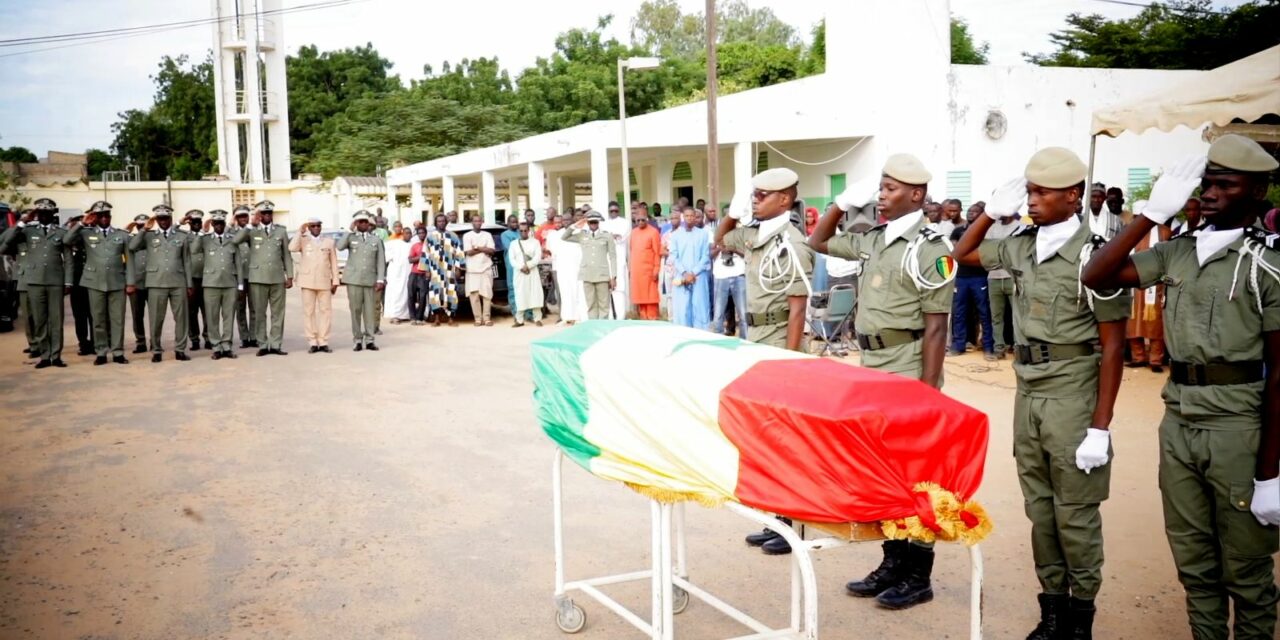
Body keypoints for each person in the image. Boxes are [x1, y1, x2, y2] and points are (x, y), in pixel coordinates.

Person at [1082, 134, 1280, 640]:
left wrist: (1270, 475)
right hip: (1180, 420)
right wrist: (1149, 216)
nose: (1209, 194)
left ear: (1257, 192)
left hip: (1239, 426)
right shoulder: (1176, 253)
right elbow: (1097, 273)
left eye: (1224, 185)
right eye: (1205, 184)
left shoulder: (1267, 264)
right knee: (1194, 561)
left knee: (1248, 571)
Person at [955, 147, 1130, 638]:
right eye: (1028, 191)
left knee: (1074, 513)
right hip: (1028, 391)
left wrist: (1100, 427)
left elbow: (1113, 348)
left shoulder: (1096, 254)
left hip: (1073, 391)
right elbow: (963, 254)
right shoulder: (1023, 244)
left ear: (1073, 195)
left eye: (1041, 192)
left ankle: (1080, 618)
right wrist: (991, 213)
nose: (1031, 201)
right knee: (1040, 510)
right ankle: (1051, 609)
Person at [809, 154, 953, 608]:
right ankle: (893, 561)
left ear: (917, 194)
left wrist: (928, 394)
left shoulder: (932, 249)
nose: (882, 195)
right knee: (883, 468)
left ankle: (919, 573)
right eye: (881, 187)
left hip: (908, 363)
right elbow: (818, 239)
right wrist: (838, 202)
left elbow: (936, 327)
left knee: (917, 472)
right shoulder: (873, 239)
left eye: (891, 188)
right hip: (871, 362)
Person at [1, 199, 73, 368]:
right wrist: (22, 222)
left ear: (53, 215)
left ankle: (56, 355)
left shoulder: (61, 232)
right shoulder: (27, 230)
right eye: (41, 213)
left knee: (56, 319)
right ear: (37, 215)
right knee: (39, 320)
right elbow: (5, 245)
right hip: (34, 281)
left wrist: (68, 281)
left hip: (55, 281)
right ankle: (45, 355)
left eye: (47, 213)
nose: (44, 216)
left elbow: (68, 259)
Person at [64, 201, 129, 365]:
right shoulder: (86, 233)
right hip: (95, 282)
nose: (104, 218)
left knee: (117, 320)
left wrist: (130, 282)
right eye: (100, 216)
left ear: (111, 216)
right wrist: (81, 223)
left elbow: (130, 260)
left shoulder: (121, 234)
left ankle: (118, 352)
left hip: (116, 281)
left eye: (107, 215)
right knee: (98, 319)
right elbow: (67, 240)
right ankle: (101, 352)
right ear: (95, 217)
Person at [128, 204, 194, 363]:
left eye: (166, 218)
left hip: (178, 282)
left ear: (171, 218)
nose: (163, 221)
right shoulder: (149, 236)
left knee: (181, 318)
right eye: (160, 218)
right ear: (156, 220)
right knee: (156, 319)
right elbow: (132, 246)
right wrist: (144, 229)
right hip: (156, 283)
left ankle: (180, 349)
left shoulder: (181, 236)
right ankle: (156, 350)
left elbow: (187, 261)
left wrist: (189, 284)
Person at [1125, 215, 1173, 372]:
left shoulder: (1164, 232)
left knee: (1155, 324)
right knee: (1133, 322)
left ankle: (1155, 360)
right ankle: (1137, 357)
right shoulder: (1129, 232)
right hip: (1134, 286)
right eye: (1136, 217)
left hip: (1156, 285)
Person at [949, 205, 996, 360]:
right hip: (960, 277)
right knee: (959, 313)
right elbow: (955, 251)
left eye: (975, 211)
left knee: (984, 312)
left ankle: (988, 347)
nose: (971, 213)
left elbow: (982, 252)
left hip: (980, 277)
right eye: (969, 211)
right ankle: (958, 346)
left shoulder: (985, 232)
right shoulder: (957, 231)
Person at [289, 216, 339, 353]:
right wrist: (300, 231)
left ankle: (323, 341)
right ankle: (312, 340)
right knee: (309, 312)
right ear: (309, 227)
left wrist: (335, 281)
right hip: (307, 280)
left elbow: (334, 262)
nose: (316, 228)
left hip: (324, 280)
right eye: (313, 226)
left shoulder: (328, 242)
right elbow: (291, 247)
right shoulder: (304, 240)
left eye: (318, 225)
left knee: (326, 312)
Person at [197, 210, 243, 359]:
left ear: (224, 224)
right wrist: (201, 232)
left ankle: (227, 345)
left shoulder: (232, 239)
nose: (218, 226)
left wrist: (240, 283)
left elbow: (238, 263)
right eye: (215, 224)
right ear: (212, 225)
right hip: (211, 283)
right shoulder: (205, 239)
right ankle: (216, 346)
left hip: (229, 283)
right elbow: (193, 249)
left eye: (221, 223)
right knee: (212, 316)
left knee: (229, 316)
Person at [338, 210, 386, 350]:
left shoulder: (376, 240)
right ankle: (357, 339)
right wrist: (349, 230)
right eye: (360, 222)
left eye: (366, 222)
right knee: (355, 310)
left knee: (370, 311)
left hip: (370, 280)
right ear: (356, 223)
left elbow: (380, 261)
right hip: (353, 279)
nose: (363, 224)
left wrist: (380, 280)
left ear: (369, 224)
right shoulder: (351, 237)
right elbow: (339, 246)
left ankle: (370, 339)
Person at [562, 210, 617, 320]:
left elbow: (613, 257)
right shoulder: (582, 235)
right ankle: (593, 326)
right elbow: (565, 237)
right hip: (587, 274)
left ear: (598, 223)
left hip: (602, 275)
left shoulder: (607, 236)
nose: (593, 224)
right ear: (587, 223)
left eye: (595, 222)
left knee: (604, 305)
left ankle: (602, 327)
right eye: (591, 222)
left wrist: (613, 277)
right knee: (591, 304)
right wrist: (575, 225)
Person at [669, 206, 711, 329]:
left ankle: (701, 337)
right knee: (682, 309)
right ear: (683, 217)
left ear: (695, 218)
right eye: (687, 216)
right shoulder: (676, 235)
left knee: (700, 307)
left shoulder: (703, 234)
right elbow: (673, 256)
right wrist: (684, 273)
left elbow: (705, 256)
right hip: (681, 277)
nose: (689, 218)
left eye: (692, 216)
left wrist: (693, 272)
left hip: (698, 276)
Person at [711, 212, 748, 337]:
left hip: (739, 274)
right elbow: (710, 254)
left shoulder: (743, 234)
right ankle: (717, 339)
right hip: (720, 275)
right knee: (718, 313)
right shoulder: (717, 235)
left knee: (743, 313)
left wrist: (734, 249)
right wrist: (721, 248)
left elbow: (749, 255)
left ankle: (745, 340)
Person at [424, 213, 463, 326]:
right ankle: (436, 318)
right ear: (435, 223)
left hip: (450, 269)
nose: (441, 223)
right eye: (439, 221)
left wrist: (458, 268)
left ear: (446, 222)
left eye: (443, 221)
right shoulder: (430, 237)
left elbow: (459, 252)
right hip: (435, 270)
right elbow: (425, 254)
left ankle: (450, 318)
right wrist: (427, 270)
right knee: (435, 293)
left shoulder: (453, 236)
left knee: (451, 292)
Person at [64, 211, 94, 357]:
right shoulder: (71, 241)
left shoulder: (91, 239)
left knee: (94, 314)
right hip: (76, 285)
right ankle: (83, 343)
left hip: (92, 282)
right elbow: (67, 239)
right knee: (79, 316)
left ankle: (96, 343)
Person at [548, 213, 586, 324]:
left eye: (568, 219)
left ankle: (578, 317)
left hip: (576, 267)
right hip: (562, 267)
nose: (565, 222)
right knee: (565, 293)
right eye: (564, 220)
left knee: (576, 292)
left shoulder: (578, 233)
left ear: (573, 220)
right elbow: (552, 251)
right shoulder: (555, 235)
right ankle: (566, 317)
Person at [183, 209, 211, 350]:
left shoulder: (207, 236)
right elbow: (193, 250)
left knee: (208, 311)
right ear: (189, 223)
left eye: (198, 222)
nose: (197, 224)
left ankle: (208, 338)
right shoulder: (185, 237)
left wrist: (204, 233)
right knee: (192, 312)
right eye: (194, 222)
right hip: (191, 279)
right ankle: (194, 339)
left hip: (206, 278)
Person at [508, 222, 545, 327]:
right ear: (518, 231)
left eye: (525, 230)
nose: (523, 232)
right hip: (519, 273)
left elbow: (537, 257)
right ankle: (519, 320)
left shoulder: (535, 242)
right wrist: (521, 267)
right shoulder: (514, 244)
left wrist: (528, 265)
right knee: (520, 295)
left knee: (535, 294)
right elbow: (512, 259)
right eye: (521, 231)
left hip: (532, 272)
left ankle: (537, 318)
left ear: (529, 231)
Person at [463, 214, 497, 326]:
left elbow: (492, 251)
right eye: (475, 221)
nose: (477, 223)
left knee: (487, 295)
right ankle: (478, 319)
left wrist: (477, 247)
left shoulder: (487, 235)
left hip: (486, 268)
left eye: (479, 221)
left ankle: (487, 318)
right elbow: (468, 252)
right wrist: (484, 249)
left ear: (482, 222)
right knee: (474, 295)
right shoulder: (467, 236)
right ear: (472, 223)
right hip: (472, 269)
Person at [229, 206, 256, 349]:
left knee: (254, 307)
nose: (243, 219)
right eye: (240, 217)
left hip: (253, 274)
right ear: (235, 218)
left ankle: (254, 336)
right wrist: (230, 223)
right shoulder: (230, 232)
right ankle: (244, 337)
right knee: (240, 308)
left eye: (245, 216)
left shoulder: (254, 229)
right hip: (237, 275)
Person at [629, 209, 662, 321]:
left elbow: (657, 253)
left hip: (649, 272)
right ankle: (643, 321)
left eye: (643, 220)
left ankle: (653, 322)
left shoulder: (653, 232)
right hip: (637, 273)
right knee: (640, 301)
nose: (640, 222)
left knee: (651, 300)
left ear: (647, 219)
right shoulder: (633, 232)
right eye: (638, 220)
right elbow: (632, 251)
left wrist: (656, 270)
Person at [125, 213, 151, 354]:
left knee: (155, 315)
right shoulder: (130, 238)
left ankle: (155, 341)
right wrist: (130, 227)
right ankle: (140, 342)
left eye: (144, 225)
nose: (142, 228)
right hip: (135, 282)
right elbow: (121, 238)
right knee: (137, 315)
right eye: (139, 225)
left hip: (152, 282)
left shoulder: (153, 237)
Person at [603, 201, 631, 319]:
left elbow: (620, 238)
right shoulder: (603, 224)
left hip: (619, 260)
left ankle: (620, 317)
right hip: (606, 260)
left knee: (620, 289)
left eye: (616, 211)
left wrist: (609, 236)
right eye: (611, 211)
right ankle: (609, 318)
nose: (613, 213)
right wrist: (611, 236)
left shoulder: (625, 222)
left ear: (619, 211)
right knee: (606, 290)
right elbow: (604, 238)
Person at [384, 226, 413, 324]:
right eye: (406, 233)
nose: (408, 235)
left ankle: (405, 315)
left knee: (406, 294)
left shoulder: (412, 245)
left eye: (410, 233)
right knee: (396, 294)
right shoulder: (395, 244)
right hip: (396, 274)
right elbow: (385, 255)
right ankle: (395, 315)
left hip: (408, 274)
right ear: (402, 234)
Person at [500, 214, 523, 321]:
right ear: (508, 223)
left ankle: (525, 312)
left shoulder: (521, 232)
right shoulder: (504, 234)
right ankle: (515, 312)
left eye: (516, 222)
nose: (514, 224)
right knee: (512, 288)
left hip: (523, 265)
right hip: (511, 266)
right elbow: (511, 247)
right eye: (512, 222)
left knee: (522, 288)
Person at [408, 226, 431, 325]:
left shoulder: (430, 245)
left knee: (422, 297)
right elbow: (410, 260)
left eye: (423, 233)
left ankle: (419, 318)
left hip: (424, 274)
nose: (421, 234)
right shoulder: (415, 246)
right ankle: (412, 317)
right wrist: (422, 256)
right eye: (419, 233)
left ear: (426, 233)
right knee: (411, 295)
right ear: (417, 235)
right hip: (414, 273)